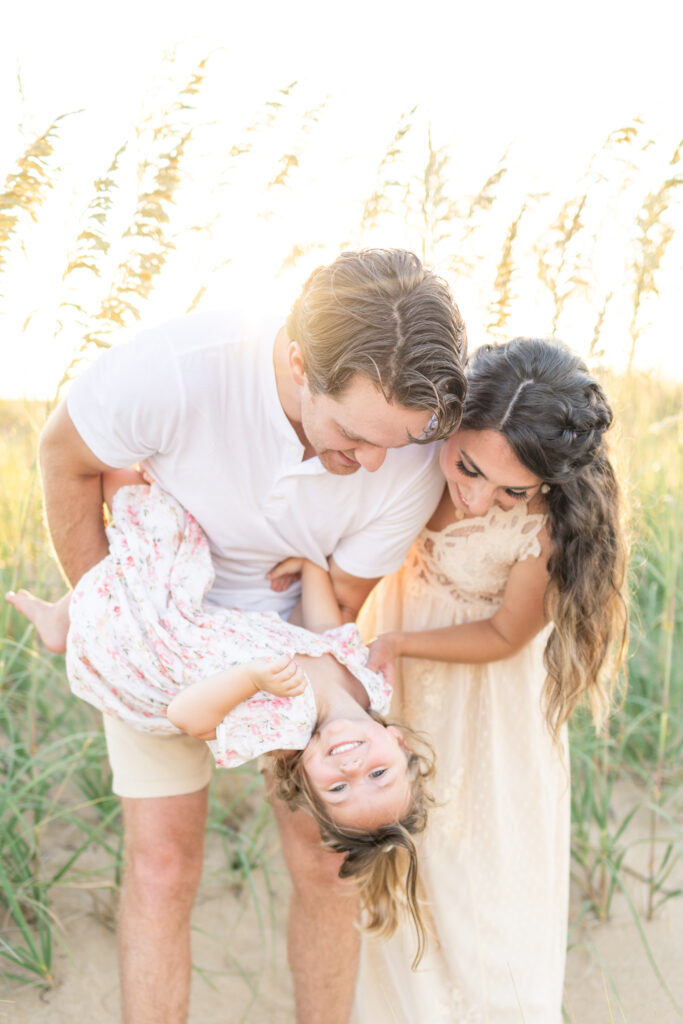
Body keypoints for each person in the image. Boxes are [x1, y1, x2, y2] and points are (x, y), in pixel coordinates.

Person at [33, 248, 467, 1023]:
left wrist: (310, 680)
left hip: (284, 650)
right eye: (351, 433)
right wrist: (117, 617)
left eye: (394, 443)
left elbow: (340, 606)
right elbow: (63, 457)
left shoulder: (408, 453)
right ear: (299, 363)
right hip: (156, 637)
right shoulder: (178, 369)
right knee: (164, 864)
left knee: (328, 857)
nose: (371, 462)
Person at [8, 474, 435, 960]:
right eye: (378, 774)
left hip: (162, 653)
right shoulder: (367, 683)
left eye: (337, 788)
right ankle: (61, 621)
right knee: (146, 556)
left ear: (309, 783)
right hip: (193, 620)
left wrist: (252, 678)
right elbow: (325, 630)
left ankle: (66, 616)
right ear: (398, 741)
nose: (352, 769)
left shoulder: (286, 724)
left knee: (153, 529)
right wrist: (312, 567)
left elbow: (187, 715)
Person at [353, 338, 628, 1024]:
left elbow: (506, 636)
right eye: (468, 468)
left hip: (485, 702)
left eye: (511, 489)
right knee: (402, 847)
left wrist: (398, 641)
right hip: (401, 682)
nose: (476, 500)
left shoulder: (545, 529)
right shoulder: (411, 449)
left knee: (480, 862)